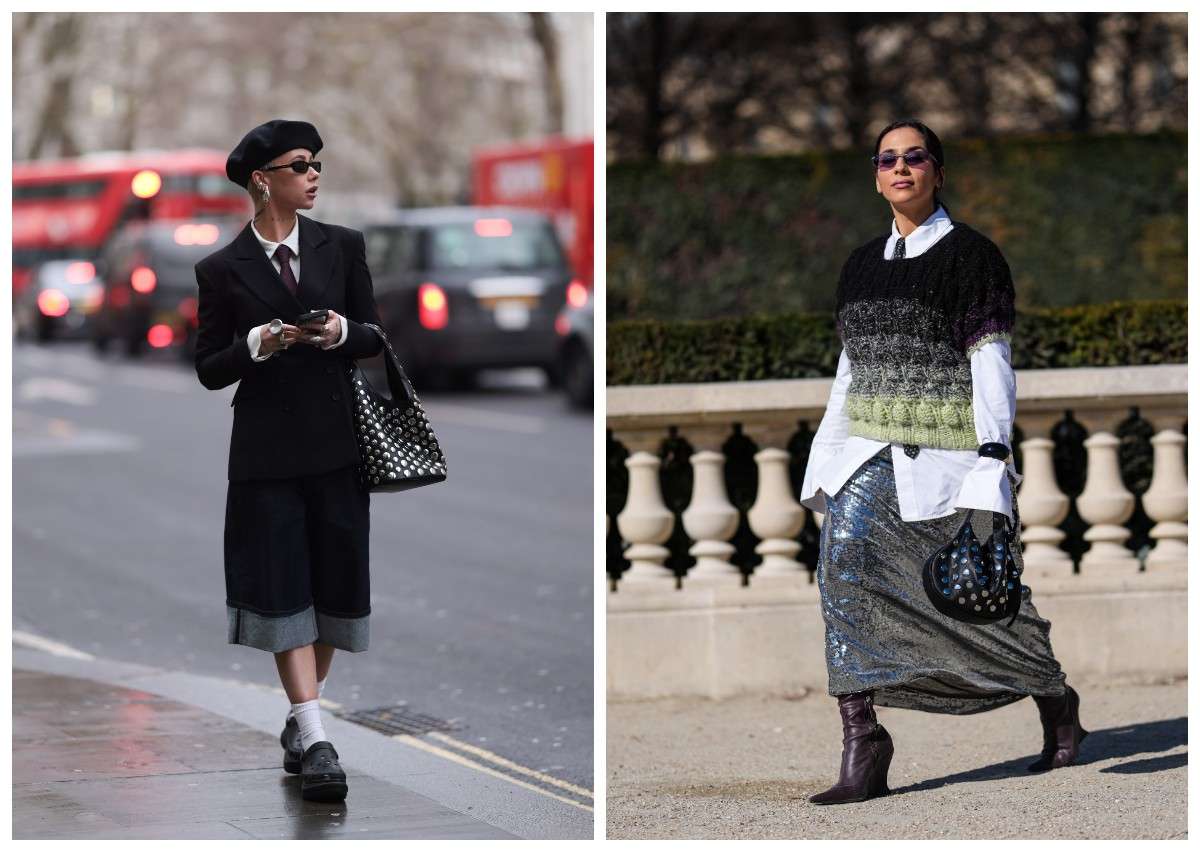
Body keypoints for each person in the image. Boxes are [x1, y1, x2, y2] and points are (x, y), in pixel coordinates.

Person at [798, 119, 1086, 805]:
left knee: (981, 602)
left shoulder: (972, 257)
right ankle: (863, 739)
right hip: (867, 456)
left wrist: (993, 456)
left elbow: (992, 362)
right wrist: (825, 459)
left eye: (915, 157)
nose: (901, 168)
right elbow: (851, 371)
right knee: (841, 568)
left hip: (948, 460)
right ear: (876, 175)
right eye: (888, 159)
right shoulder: (859, 265)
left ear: (938, 171)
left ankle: (1054, 697)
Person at [194, 119, 384, 803]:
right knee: (282, 590)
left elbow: (373, 338)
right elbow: (209, 369)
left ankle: (301, 720)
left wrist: (338, 331)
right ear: (262, 180)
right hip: (266, 455)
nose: (314, 175)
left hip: (337, 446)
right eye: (300, 164)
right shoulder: (219, 269)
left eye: (317, 165)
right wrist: (255, 344)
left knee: (332, 589)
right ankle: (316, 733)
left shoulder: (344, 246)